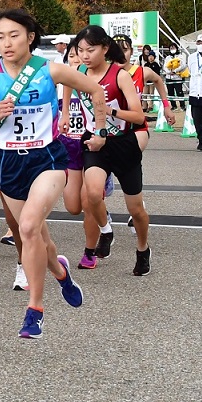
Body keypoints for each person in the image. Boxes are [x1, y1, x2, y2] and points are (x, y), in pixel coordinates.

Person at [0, 10, 105, 338]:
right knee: (40, 238)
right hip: (9, 161)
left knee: (27, 228)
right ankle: (62, 273)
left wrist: (100, 130)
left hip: (48, 159)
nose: (7, 43)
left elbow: (95, 91)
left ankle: (35, 310)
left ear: (29, 37)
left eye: (14, 35)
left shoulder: (49, 70)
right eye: (0, 37)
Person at [68, 27, 154, 276]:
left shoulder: (120, 75)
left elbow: (138, 116)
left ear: (105, 49)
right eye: (80, 50)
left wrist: (110, 111)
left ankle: (142, 248)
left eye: (90, 50)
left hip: (123, 143)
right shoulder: (79, 72)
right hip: (95, 141)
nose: (84, 56)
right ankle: (106, 231)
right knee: (93, 194)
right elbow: (64, 82)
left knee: (136, 209)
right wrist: (64, 113)